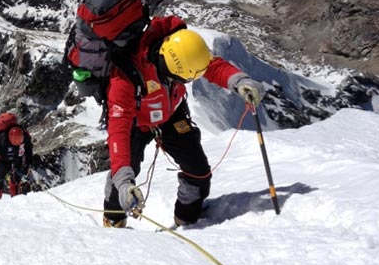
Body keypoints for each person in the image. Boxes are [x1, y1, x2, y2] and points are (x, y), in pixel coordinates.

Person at [103, 18, 265, 228]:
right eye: (179, 79)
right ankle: (114, 220)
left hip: (171, 112)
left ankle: (187, 222)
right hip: (136, 122)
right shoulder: (124, 80)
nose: (182, 83)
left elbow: (209, 65)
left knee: (198, 171)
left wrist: (238, 80)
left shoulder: (182, 51)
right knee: (123, 174)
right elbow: (118, 131)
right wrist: (124, 181)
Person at [0, 112, 35, 201]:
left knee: (15, 180)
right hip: (5, 160)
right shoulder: (1, 139)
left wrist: (28, 164)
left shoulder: (25, 136)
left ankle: (15, 200)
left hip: (16, 159)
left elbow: (29, 151)